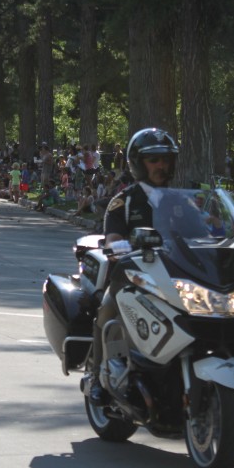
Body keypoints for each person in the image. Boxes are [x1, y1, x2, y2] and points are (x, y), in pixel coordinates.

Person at [87, 127, 179, 405]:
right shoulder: (124, 201)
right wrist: (117, 246)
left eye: (165, 159)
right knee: (107, 310)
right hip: (133, 276)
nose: (161, 165)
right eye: (154, 160)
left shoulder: (184, 200)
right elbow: (113, 237)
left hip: (174, 277)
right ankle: (97, 374)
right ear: (138, 163)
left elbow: (203, 233)